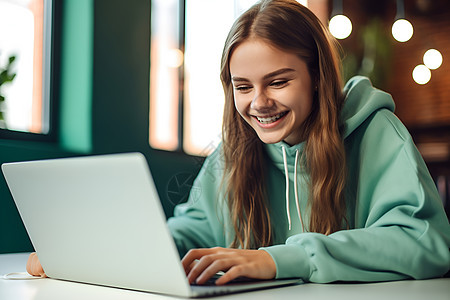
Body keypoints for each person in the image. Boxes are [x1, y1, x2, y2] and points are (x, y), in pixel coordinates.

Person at [28, 0, 450, 285]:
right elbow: (192, 232)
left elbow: (425, 241)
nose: (259, 103)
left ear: (318, 76)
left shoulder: (375, 131)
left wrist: (277, 258)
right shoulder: (234, 152)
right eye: (242, 86)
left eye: (279, 82)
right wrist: (91, 254)